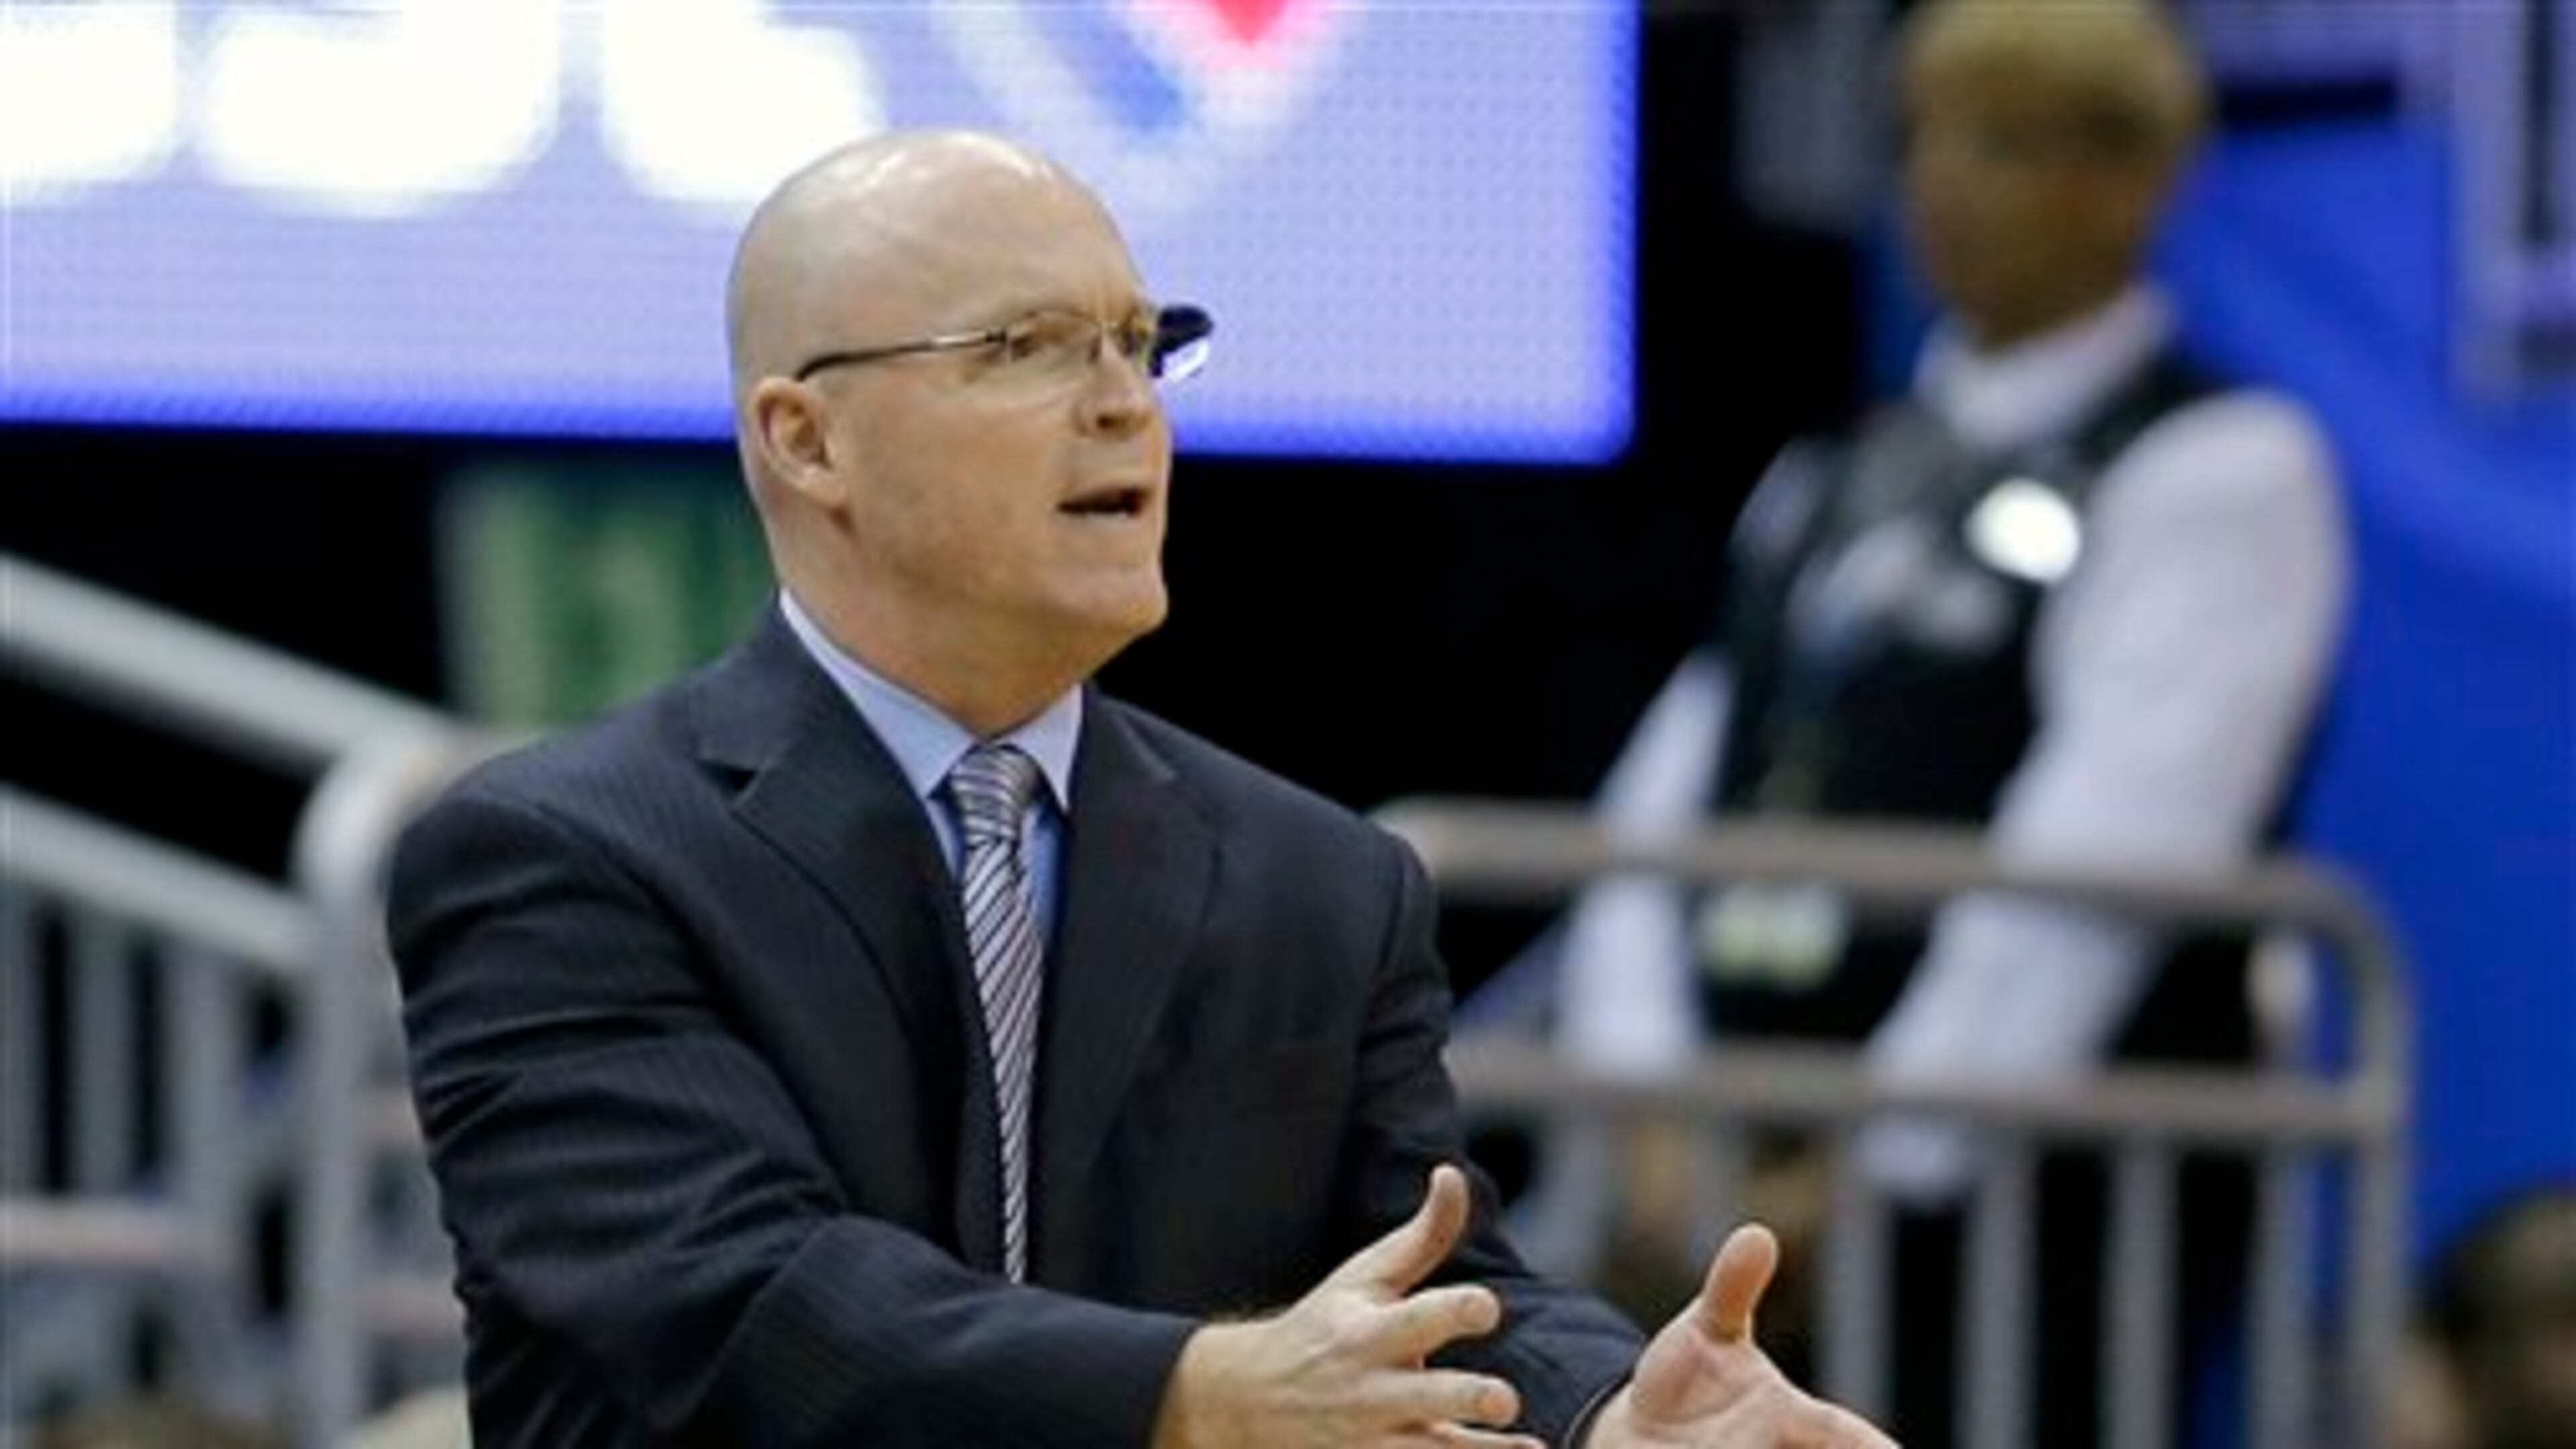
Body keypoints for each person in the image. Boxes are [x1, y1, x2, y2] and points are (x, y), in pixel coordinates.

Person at [386, 129, 1894, 1448]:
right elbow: (743, 1308)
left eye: (1139, 342)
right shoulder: (562, 856)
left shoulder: (1320, 882)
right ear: (807, 437)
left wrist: (1605, 1408)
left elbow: (1424, 1284)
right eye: (1027, 347)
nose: (1125, 405)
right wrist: (1194, 1395)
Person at [1489, 0, 2349, 1441]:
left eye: (2005, 144)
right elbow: (1666, 811)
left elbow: (2102, 866)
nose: (1946, 184)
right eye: (1925, 139)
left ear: (2131, 181)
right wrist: (1648, 1113)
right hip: (1737, 1189)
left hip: (2036, 1219)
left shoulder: (2220, 467)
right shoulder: (1838, 473)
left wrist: (1873, 1169)